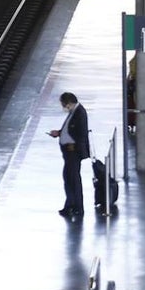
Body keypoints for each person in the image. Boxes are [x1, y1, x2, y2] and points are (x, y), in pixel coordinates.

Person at [48, 91, 90, 219]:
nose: (64, 107)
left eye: (64, 104)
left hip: (73, 152)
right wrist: (60, 133)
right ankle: (70, 205)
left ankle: (77, 207)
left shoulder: (80, 113)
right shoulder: (74, 112)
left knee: (73, 179)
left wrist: (74, 146)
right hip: (69, 152)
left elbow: (81, 134)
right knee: (68, 178)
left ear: (69, 103)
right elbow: (70, 129)